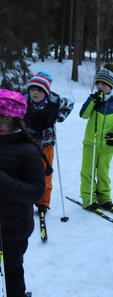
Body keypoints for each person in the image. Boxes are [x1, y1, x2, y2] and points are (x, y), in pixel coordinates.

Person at [0, 89, 46, 297]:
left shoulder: (28, 150)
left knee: (12, 273)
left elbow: (36, 192)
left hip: (13, 229)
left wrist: (5, 182)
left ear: (7, 118)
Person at [22, 71, 74, 214]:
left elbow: (70, 104)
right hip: (27, 143)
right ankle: (25, 199)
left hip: (47, 143)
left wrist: (59, 116)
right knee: (26, 172)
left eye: (39, 90)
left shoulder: (54, 101)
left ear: (46, 92)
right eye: (32, 89)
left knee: (45, 173)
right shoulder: (23, 99)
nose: (35, 93)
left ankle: (43, 202)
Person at [79, 63, 113, 211]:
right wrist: (93, 100)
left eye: (103, 84)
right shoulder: (93, 100)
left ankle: (104, 197)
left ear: (110, 86)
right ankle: (89, 199)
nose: (100, 86)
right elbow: (83, 115)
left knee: (103, 172)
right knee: (88, 171)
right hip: (90, 143)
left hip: (107, 144)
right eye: (97, 83)